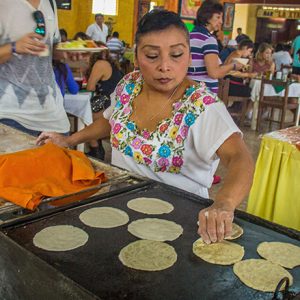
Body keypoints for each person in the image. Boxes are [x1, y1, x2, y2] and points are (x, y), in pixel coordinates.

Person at [37, 9, 254, 244]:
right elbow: (111, 122)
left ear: (189, 56)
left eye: (177, 54)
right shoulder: (129, 85)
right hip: (118, 209)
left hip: (178, 222)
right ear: (136, 57)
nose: (165, 66)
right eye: (152, 56)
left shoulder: (202, 105)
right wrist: (69, 140)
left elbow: (239, 158)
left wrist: (224, 202)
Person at [0, 0, 70, 136]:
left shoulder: (50, 3)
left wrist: (68, 52)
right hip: (11, 114)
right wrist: (13, 47)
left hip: (53, 115)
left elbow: (52, 49)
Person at [188, 0, 243, 94]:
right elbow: (214, 73)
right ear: (207, 17)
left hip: (189, 89)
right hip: (204, 94)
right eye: (218, 17)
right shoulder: (208, 40)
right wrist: (233, 65)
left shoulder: (189, 36)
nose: (221, 22)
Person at [85, 45, 123, 160]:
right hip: (115, 100)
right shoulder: (109, 64)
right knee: (88, 109)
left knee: (85, 116)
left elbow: (90, 87)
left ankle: (96, 149)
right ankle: (97, 146)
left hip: (108, 101)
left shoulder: (100, 64)